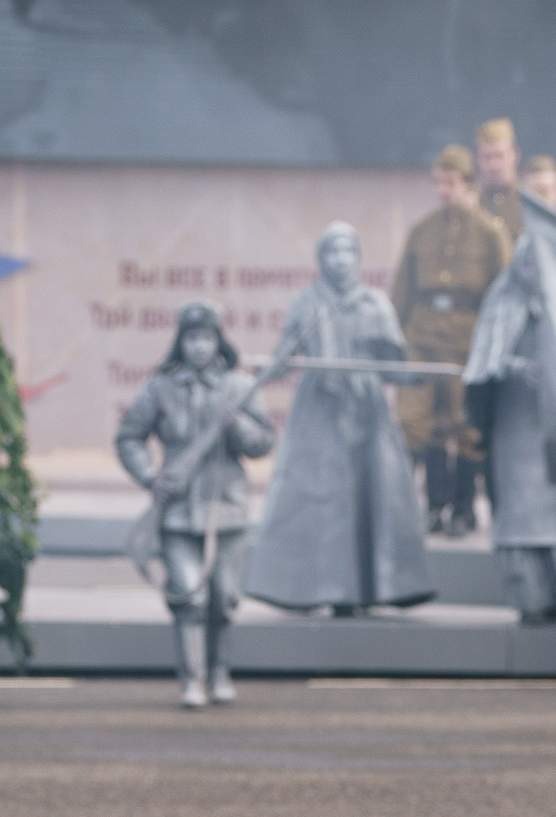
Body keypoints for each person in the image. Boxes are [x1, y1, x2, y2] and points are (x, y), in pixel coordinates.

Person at [247, 224, 434, 614]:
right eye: (331, 252)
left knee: (373, 494)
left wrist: (416, 372)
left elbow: (393, 366)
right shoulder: (306, 302)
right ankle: (317, 591)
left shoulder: (376, 303)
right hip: (319, 410)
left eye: (347, 251)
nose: (340, 259)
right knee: (319, 501)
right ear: (320, 258)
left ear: (358, 257)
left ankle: (371, 590)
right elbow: (285, 354)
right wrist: (275, 364)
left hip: (366, 410)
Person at [115, 301, 277, 709]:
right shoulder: (160, 388)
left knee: (223, 599)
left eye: (207, 338)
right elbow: (129, 436)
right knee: (188, 597)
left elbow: (263, 443)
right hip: (179, 513)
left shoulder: (239, 388)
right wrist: (151, 477)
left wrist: (236, 425)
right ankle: (192, 680)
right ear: (180, 342)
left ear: (218, 340)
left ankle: (220, 673)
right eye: (192, 339)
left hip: (228, 508)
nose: (200, 348)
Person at [462, 239, 556, 626]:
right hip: (516, 425)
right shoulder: (501, 304)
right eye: (526, 261)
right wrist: (510, 365)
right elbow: (480, 364)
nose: (533, 269)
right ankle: (531, 595)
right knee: (524, 513)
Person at [394, 145, 513, 538]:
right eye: (439, 183)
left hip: (468, 343)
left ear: (468, 184)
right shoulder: (422, 231)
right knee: (414, 422)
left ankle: (463, 509)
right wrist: (396, 338)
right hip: (423, 338)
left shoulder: (490, 233)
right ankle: (431, 506)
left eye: (451, 182)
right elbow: (403, 291)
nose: (443, 190)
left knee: (465, 427)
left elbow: (504, 296)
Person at [476, 118, 526, 244]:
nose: (494, 165)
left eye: (499, 156)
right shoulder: (472, 204)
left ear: (515, 155)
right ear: (477, 159)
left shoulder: (528, 204)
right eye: (487, 157)